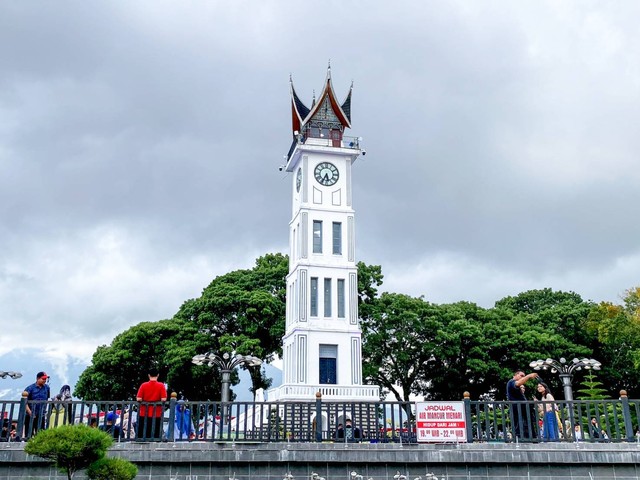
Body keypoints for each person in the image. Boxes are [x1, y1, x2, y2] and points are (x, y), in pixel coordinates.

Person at [506, 369, 538, 440]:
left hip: (522, 410)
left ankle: (531, 438)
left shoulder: (518, 388)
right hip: (517, 410)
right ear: (515, 375)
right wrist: (529, 376)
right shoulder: (511, 382)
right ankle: (520, 440)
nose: (523, 377)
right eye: (521, 375)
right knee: (519, 427)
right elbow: (517, 384)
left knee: (527, 426)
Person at [136, 368, 167, 441]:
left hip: (144, 412)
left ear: (149, 375)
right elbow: (163, 399)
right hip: (156, 413)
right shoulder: (161, 385)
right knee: (155, 433)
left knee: (143, 433)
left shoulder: (143, 385)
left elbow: (139, 399)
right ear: (158, 375)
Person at [24, 371, 51, 436]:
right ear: (38, 379)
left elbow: (47, 398)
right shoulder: (30, 388)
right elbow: (25, 402)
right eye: (43, 379)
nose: (44, 380)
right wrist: (30, 413)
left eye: (45, 379)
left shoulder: (47, 388)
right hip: (30, 415)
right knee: (29, 434)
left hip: (41, 414)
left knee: (41, 434)